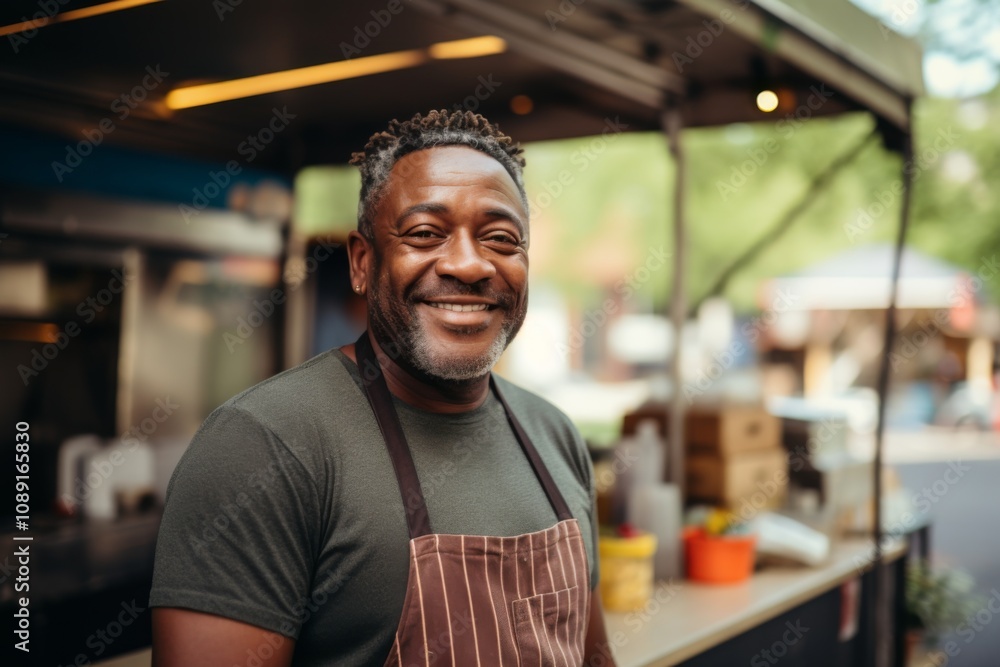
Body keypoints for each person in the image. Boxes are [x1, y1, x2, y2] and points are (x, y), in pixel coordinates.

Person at [150, 109, 616, 666]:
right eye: (425, 234)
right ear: (363, 262)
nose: (469, 265)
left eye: (500, 238)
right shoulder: (262, 446)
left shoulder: (553, 435)